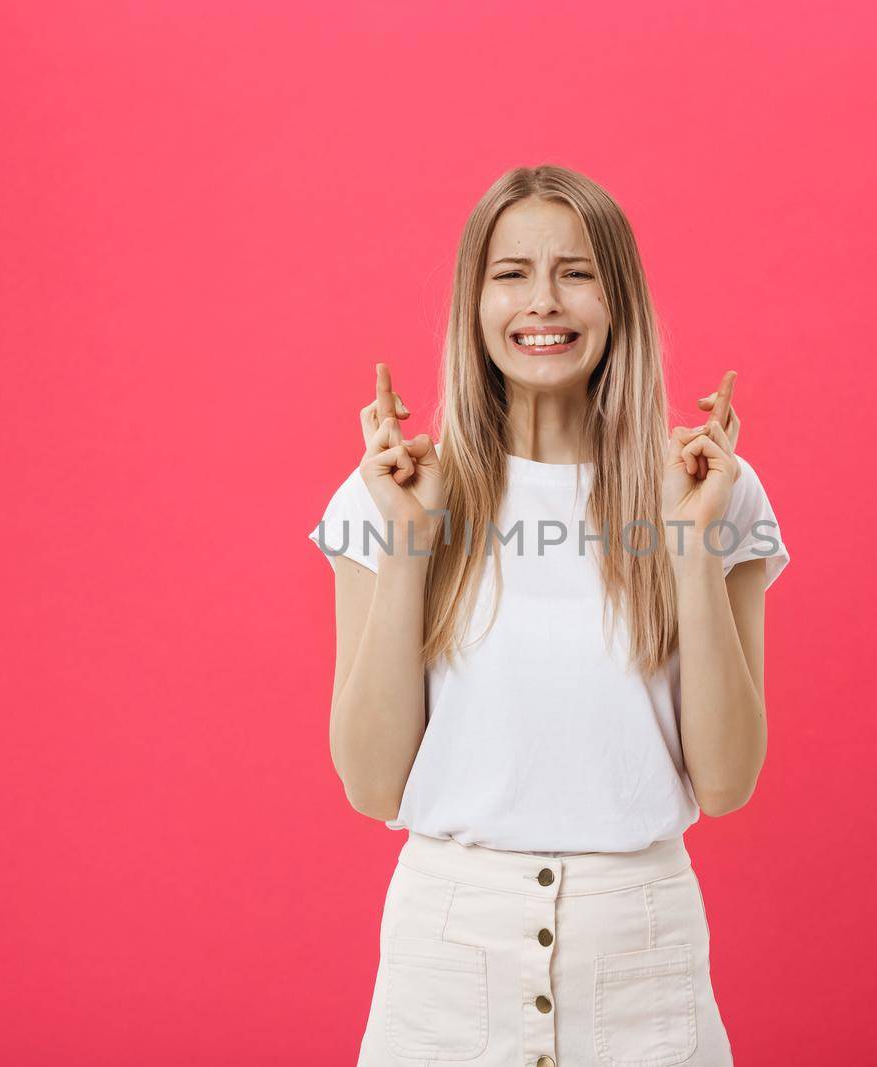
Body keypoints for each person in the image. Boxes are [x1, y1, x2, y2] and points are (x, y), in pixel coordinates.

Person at [306, 164, 789, 1067]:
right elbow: (373, 785)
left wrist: (691, 545)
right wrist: (408, 543)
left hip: (645, 970)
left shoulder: (709, 488)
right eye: (511, 272)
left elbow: (725, 782)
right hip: (444, 977)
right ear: (474, 300)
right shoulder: (397, 491)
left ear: (618, 298)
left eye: (575, 271)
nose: (543, 301)